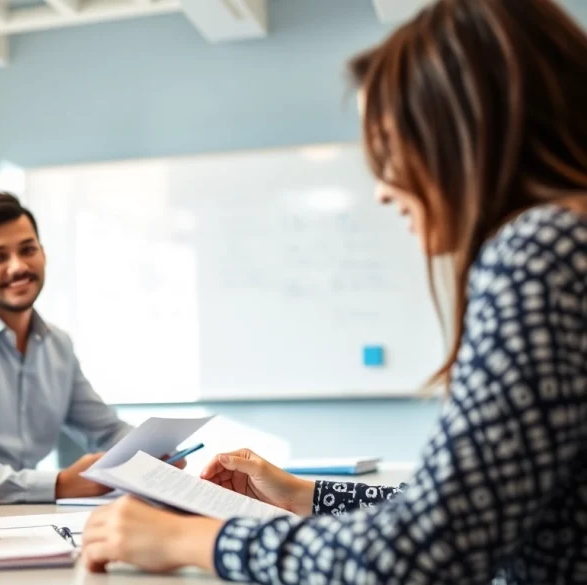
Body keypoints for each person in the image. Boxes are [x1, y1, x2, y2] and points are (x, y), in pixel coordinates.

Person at [81, 0, 587, 583]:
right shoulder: (567, 242)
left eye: (391, 148)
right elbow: (461, 513)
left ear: (463, 132)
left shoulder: (541, 252)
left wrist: (197, 539)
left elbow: (420, 555)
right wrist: (305, 494)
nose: (381, 189)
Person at [0, 192, 134, 504]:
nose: (18, 267)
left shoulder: (58, 345)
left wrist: (152, 459)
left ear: (43, 253)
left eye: (28, 250)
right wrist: (59, 484)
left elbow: (109, 431)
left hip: (33, 518)